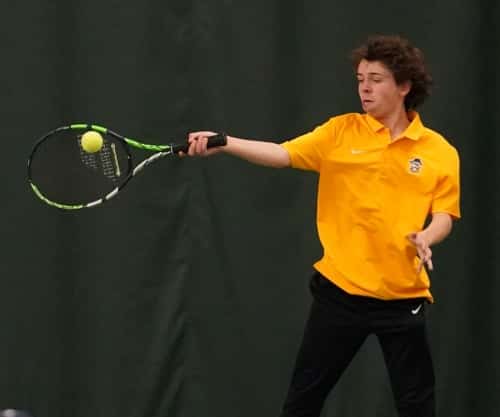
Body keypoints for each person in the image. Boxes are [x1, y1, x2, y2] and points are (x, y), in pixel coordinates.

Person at [184, 35, 460, 417]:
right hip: (340, 293)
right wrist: (226, 142)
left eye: (376, 79)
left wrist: (427, 236)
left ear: (404, 86)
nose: (364, 88)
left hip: (403, 298)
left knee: (417, 407)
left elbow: (444, 214)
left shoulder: (440, 152)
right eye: (360, 79)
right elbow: (283, 153)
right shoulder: (340, 132)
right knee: (302, 403)